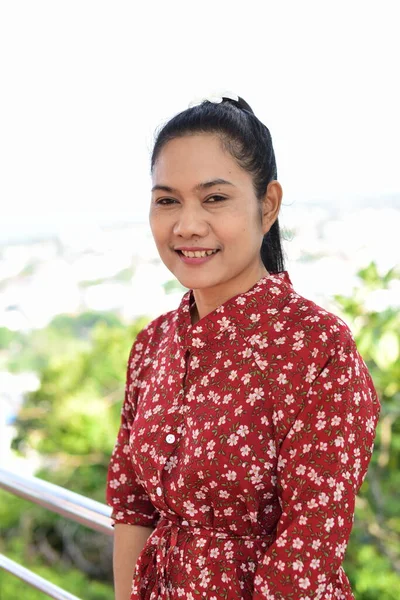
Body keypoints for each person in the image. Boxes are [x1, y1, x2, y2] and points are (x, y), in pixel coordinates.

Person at [106, 93, 381, 600]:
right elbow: (133, 506)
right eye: (167, 200)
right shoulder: (152, 345)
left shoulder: (318, 349)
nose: (187, 224)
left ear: (267, 204)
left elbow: (306, 554)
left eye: (214, 198)